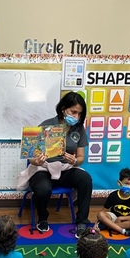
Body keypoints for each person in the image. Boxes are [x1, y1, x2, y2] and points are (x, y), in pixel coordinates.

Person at [25, 91, 92, 238]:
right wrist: (38, 161)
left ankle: (81, 221)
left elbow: (81, 157)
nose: (76, 117)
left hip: (65, 169)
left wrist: (74, 161)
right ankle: (42, 218)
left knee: (85, 179)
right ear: (63, 109)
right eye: (73, 112)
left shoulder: (79, 129)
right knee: (43, 188)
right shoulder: (46, 125)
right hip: (44, 169)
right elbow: (31, 157)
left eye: (79, 114)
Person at [96, 167, 130, 236]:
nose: (129, 186)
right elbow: (103, 211)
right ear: (119, 183)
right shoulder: (113, 195)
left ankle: (109, 226)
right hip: (113, 218)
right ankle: (122, 231)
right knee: (100, 214)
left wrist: (121, 218)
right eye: (126, 183)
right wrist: (95, 224)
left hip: (127, 220)